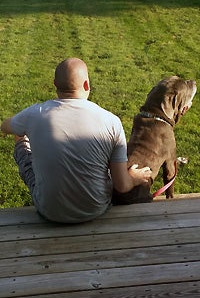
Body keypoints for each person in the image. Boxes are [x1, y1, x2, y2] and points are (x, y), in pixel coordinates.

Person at [1, 57, 152, 223]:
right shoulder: (111, 121)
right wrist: (133, 177)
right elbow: (122, 186)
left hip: (49, 211)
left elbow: (6, 125)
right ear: (87, 85)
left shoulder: (36, 113)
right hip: (96, 209)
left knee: (20, 136)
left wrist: (18, 129)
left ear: (55, 85)